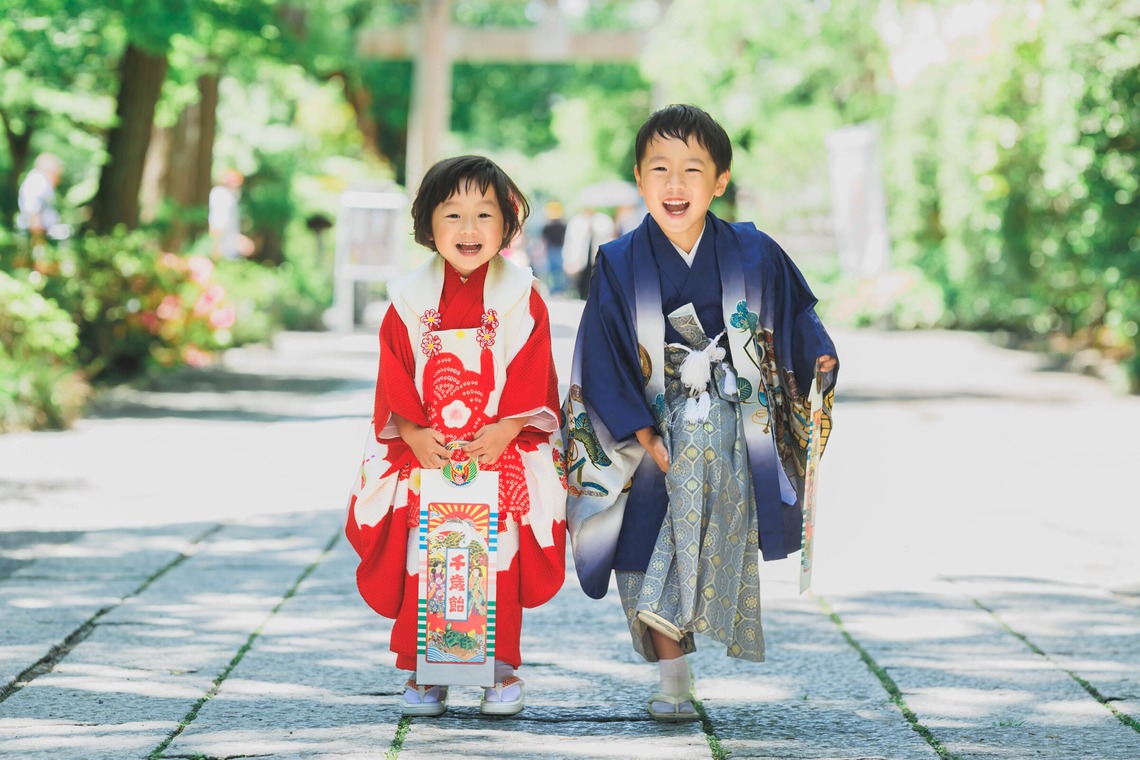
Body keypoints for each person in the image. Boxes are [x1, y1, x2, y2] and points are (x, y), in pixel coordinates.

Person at [563, 105, 838, 722]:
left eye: (693, 169)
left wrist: (817, 354)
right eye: (660, 168)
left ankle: (677, 666)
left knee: (710, 535)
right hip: (650, 427)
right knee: (642, 541)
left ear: (721, 180)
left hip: (734, 425)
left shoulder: (753, 250)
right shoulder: (619, 259)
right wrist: (639, 430)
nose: (675, 183)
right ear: (639, 178)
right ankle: (673, 675)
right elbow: (602, 352)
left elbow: (795, 316)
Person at [344, 155, 567, 718]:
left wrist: (511, 425)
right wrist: (414, 433)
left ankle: (499, 670)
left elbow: (533, 366)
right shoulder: (409, 299)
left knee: (496, 559)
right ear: (428, 224)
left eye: (484, 215)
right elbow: (394, 370)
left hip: (499, 451)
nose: (469, 230)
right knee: (430, 555)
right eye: (453, 215)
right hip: (430, 454)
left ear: (507, 223)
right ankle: (427, 670)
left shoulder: (522, 295)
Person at [562, 205, 614, 298]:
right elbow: (569, 241)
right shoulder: (576, 221)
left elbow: (607, 235)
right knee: (581, 283)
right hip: (580, 260)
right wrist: (568, 258)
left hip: (597, 258)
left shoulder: (602, 220)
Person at [16, 153, 64, 242]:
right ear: (50, 171)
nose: (58, 179)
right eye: (57, 174)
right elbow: (32, 204)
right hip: (36, 231)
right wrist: (37, 236)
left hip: (40, 229)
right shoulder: (39, 180)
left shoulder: (39, 179)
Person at [208, 168, 254, 259]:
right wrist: (215, 246)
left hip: (227, 250)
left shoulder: (226, 196)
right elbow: (218, 224)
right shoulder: (223, 196)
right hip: (222, 252)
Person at [540, 201, 567, 294]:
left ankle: (554, 290)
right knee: (558, 271)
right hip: (558, 249)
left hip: (551, 250)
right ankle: (559, 289)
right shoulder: (562, 226)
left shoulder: (547, 226)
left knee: (552, 271)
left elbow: (543, 240)